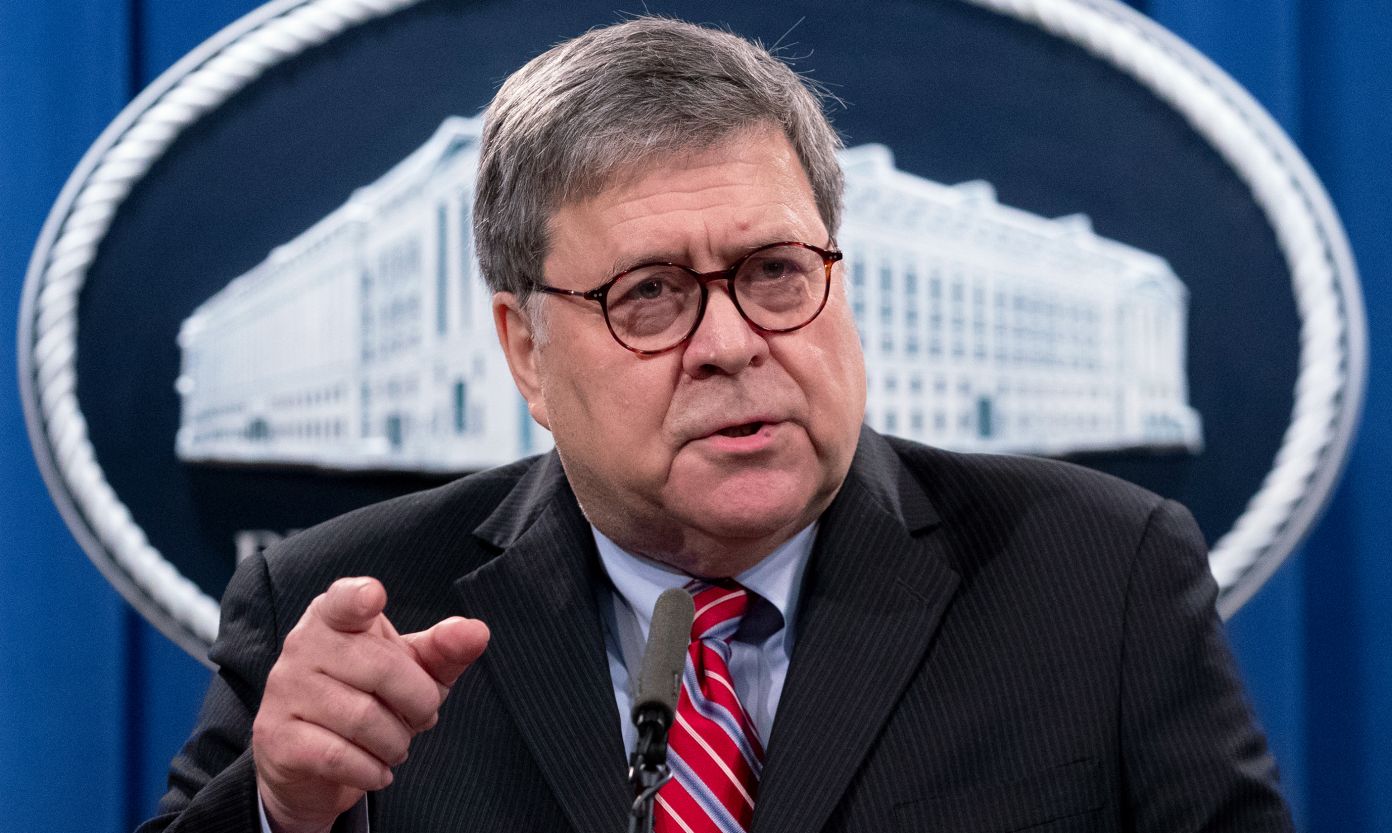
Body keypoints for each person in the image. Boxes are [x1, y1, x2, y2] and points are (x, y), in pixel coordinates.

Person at [141, 16, 1293, 833]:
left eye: (776, 271)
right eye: (650, 295)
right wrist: (281, 813)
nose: (734, 341)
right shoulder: (352, 605)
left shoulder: (1099, 573)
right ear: (525, 350)